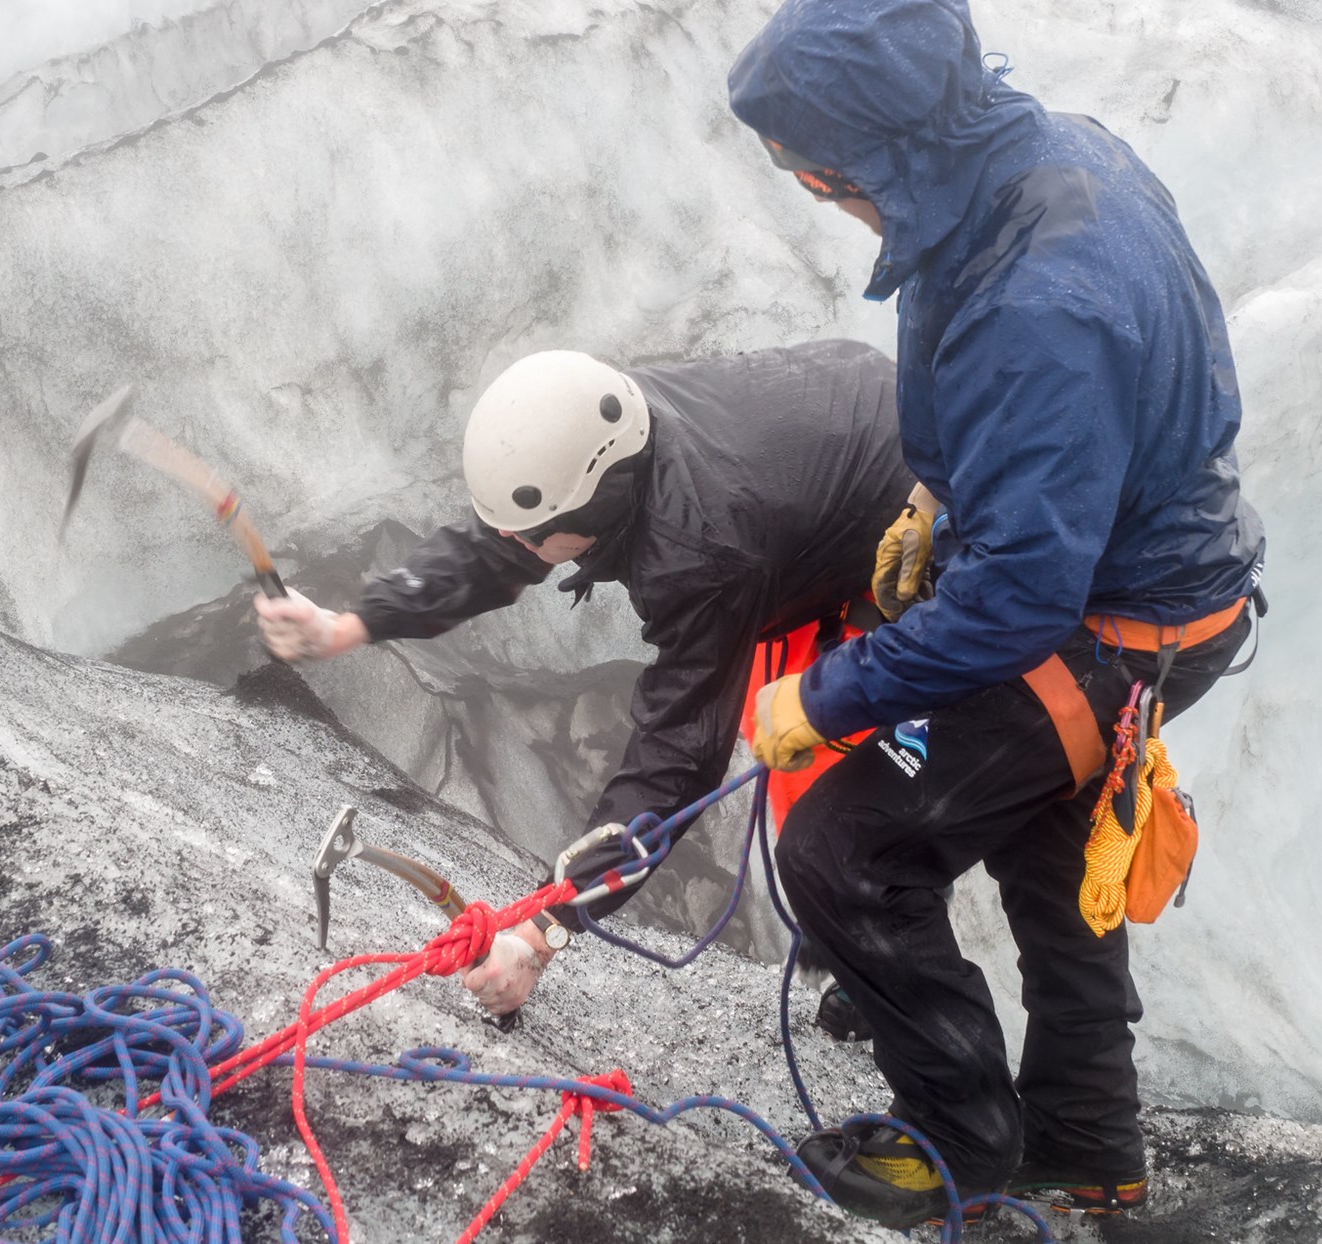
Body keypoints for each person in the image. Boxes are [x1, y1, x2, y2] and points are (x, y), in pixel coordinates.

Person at [728, 0, 1265, 1227]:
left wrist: (828, 695)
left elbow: (1022, 596)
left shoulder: (1041, 300)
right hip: (1155, 586)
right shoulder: (1027, 160)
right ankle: (1085, 1149)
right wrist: (942, 494)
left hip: (1107, 625)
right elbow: (1053, 443)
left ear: (879, 153)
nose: (817, 192)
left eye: (817, 167)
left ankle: (960, 1148)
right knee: (1046, 838)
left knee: (846, 850)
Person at [254, 341, 914, 1017]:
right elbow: (500, 547)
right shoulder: (606, 434)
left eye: (533, 535)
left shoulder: (700, 553)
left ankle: (894, 984)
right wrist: (349, 625)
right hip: (828, 486)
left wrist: (545, 931)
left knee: (856, 816)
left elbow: (678, 760)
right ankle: (858, 937)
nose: (515, 547)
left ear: (591, 518)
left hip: (924, 539)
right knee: (801, 757)